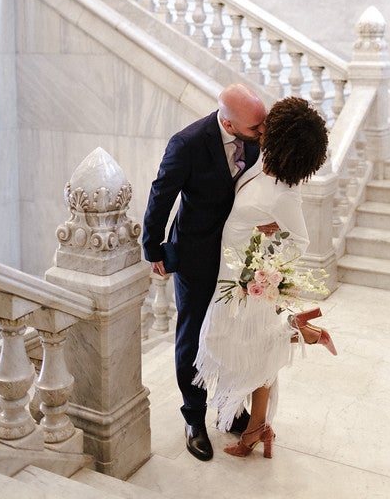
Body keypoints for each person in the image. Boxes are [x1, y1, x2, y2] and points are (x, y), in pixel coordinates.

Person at [193, 96, 335, 459]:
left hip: (248, 281)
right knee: (256, 349)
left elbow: (299, 241)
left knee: (254, 352)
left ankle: (256, 428)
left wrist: (261, 267)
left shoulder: (285, 190)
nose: (264, 129)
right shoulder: (265, 160)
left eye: (272, 126)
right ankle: (298, 331)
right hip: (231, 269)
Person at [142, 83, 267, 461]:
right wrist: (154, 248)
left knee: (234, 331)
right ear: (228, 124)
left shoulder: (256, 132)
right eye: (254, 130)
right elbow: (161, 195)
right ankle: (193, 417)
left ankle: (229, 409)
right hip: (196, 252)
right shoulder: (187, 143)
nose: (262, 134)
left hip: (239, 252)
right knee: (193, 335)